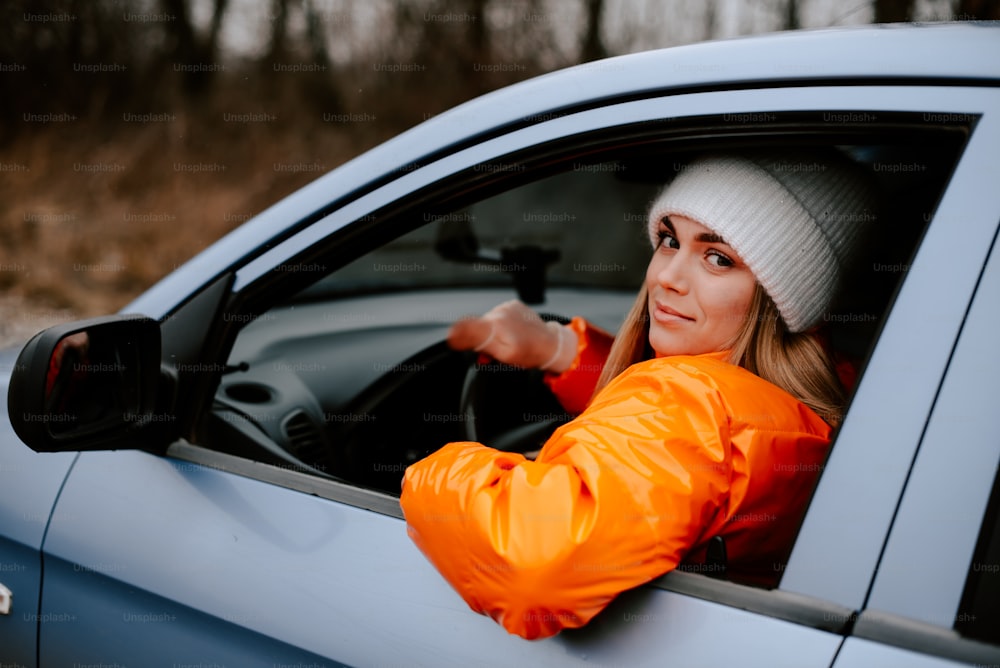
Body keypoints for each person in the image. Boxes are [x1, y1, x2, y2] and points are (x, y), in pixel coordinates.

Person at [400, 149, 876, 640]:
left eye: (718, 258)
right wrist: (559, 349)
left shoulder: (684, 405)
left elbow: (531, 565)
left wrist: (424, 473)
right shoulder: (840, 389)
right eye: (670, 240)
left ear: (782, 295)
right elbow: (687, 447)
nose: (667, 277)